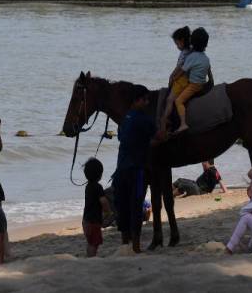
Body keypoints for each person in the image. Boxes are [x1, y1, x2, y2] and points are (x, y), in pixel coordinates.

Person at [112, 85, 156, 253]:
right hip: (136, 171)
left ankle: (125, 244)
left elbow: (124, 139)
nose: (146, 102)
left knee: (122, 207)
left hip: (120, 170)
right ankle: (136, 248)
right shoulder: (144, 119)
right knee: (136, 206)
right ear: (137, 100)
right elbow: (157, 137)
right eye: (144, 99)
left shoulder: (124, 119)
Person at [174, 27, 211, 133]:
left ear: (192, 42)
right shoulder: (205, 57)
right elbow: (208, 71)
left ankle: (183, 123)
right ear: (205, 44)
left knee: (178, 101)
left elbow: (182, 71)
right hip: (202, 83)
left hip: (194, 85)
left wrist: (174, 78)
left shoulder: (192, 57)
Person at [161, 26, 191, 133]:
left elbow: (179, 68)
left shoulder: (185, 52)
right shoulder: (191, 50)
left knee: (170, 100)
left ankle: (165, 119)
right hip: (187, 78)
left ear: (182, 41)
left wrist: (172, 76)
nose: (177, 47)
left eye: (177, 44)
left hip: (182, 80)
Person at [82, 158, 111, 257]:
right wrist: (107, 211)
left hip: (86, 220)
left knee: (90, 242)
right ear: (100, 174)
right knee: (94, 243)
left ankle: (89, 256)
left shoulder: (88, 187)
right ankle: (91, 258)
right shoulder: (98, 187)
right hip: (93, 221)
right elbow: (103, 200)